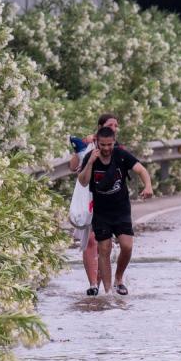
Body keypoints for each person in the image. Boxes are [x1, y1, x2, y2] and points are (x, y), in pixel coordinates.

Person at [77, 126, 153, 295]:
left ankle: (119, 279)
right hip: (101, 212)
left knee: (127, 246)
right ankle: (107, 291)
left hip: (121, 209)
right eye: (102, 145)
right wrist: (89, 162)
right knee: (104, 249)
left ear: (113, 142)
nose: (106, 148)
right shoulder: (91, 157)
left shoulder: (121, 155)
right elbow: (82, 181)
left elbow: (141, 170)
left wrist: (148, 186)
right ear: (97, 143)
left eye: (109, 144)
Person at [69, 113, 120, 296]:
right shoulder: (87, 145)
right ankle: (92, 283)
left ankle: (100, 281)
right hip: (87, 195)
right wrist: (81, 149)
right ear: (100, 127)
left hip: (107, 197)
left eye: (116, 125)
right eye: (110, 125)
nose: (114, 128)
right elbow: (72, 166)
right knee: (90, 239)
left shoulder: (116, 148)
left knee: (103, 240)